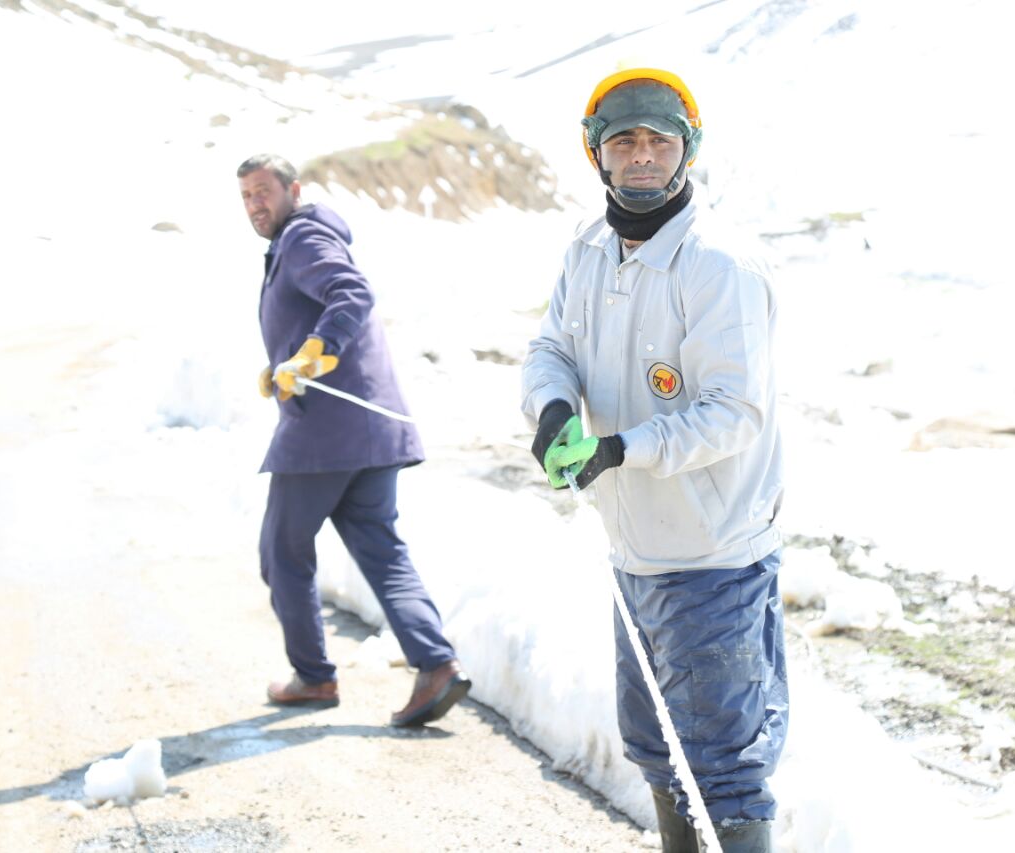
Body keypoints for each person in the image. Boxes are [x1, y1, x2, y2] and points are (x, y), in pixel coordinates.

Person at [520, 70, 787, 852]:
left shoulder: (720, 266)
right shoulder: (588, 247)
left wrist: (623, 449)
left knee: (723, 768)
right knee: (658, 749)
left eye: (658, 140)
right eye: (623, 140)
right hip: (636, 550)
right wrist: (557, 409)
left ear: (688, 149)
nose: (641, 155)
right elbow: (550, 348)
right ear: (596, 153)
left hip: (713, 557)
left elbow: (735, 411)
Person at [237, 153, 469, 728]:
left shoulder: (302, 237)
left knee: (282, 553)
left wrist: (316, 354)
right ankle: (436, 665)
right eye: (245, 196)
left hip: (325, 436)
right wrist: (286, 361)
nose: (255, 204)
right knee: (380, 549)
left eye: (263, 190)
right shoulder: (300, 240)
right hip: (367, 431)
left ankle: (314, 677)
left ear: (294, 189)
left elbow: (350, 293)